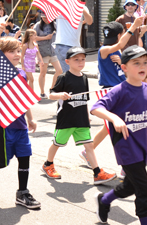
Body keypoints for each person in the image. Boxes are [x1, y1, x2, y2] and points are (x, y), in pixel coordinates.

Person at [92, 45, 147, 225]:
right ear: (124, 67)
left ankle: (105, 200)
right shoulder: (119, 90)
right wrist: (114, 118)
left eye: (145, 62)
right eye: (136, 63)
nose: (142, 66)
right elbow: (96, 107)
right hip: (125, 146)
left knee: (130, 186)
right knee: (144, 190)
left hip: (141, 145)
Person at [0, 22, 40, 209]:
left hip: (19, 124)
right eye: (12, 51)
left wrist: (30, 118)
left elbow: (23, 98)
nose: (17, 55)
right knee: (2, 162)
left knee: (25, 156)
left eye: (19, 51)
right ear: (3, 55)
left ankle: (23, 192)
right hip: (2, 124)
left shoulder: (21, 74)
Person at [43, 46, 116, 184]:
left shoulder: (84, 78)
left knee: (89, 145)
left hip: (81, 120)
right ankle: (48, 164)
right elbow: (51, 94)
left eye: (83, 59)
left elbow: (84, 99)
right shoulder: (63, 77)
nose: (80, 62)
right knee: (57, 143)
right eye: (76, 59)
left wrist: (86, 114)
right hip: (66, 120)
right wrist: (60, 95)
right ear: (67, 61)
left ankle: (97, 173)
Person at [81, 18, 144, 169]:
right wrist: (134, 26)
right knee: (121, 127)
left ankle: (87, 152)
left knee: (109, 128)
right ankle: (126, 165)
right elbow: (121, 44)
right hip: (110, 91)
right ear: (119, 35)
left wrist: (122, 60)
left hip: (121, 89)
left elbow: (129, 68)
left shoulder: (118, 51)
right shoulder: (104, 49)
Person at [54, 0, 93, 73]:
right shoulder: (59, 6)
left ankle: (56, 87)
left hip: (75, 46)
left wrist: (82, 8)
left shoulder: (82, 7)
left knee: (71, 72)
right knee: (69, 73)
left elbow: (90, 21)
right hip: (62, 44)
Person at [33, 11, 62, 98]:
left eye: (47, 17)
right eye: (43, 17)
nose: (45, 19)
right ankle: (42, 92)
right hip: (43, 52)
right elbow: (33, 38)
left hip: (53, 52)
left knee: (59, 70)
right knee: (43, 72)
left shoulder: (55, 25)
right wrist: (45, 37)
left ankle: (52, 88)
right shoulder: (38, 26)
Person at [21, 29, 43, 93]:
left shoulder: (35, 45)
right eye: (34, 35)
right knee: (31, 79)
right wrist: (23, 65)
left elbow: (38, 54)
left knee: (27, 79)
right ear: (30, 36)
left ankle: (23, 91)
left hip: (32, 63)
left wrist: (41, 61)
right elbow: (22, 56)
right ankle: (31, 94)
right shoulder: (25, 45)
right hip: (27, 63)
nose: (35, 36)